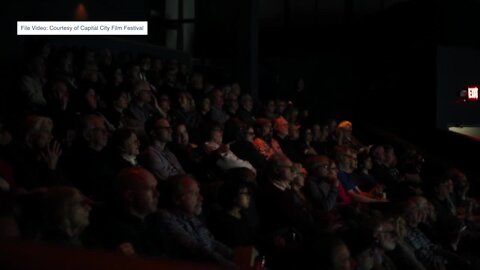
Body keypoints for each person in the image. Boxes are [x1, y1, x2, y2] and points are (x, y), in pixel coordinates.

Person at [155, 174, 235, 266]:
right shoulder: (164, 218)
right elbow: (195, 249)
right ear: (176, 199)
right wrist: (230, 265)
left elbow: (213, 243)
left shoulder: (193, 217)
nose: (201, 198)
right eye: (195, 193)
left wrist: (235, 256)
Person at [139, 117, 184, 181]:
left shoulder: (168, 151)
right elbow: (169, 180)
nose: (170, 131)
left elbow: (181, 171)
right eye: (166, 128)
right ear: (153, 133)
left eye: (170, 128)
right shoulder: (150, 154)